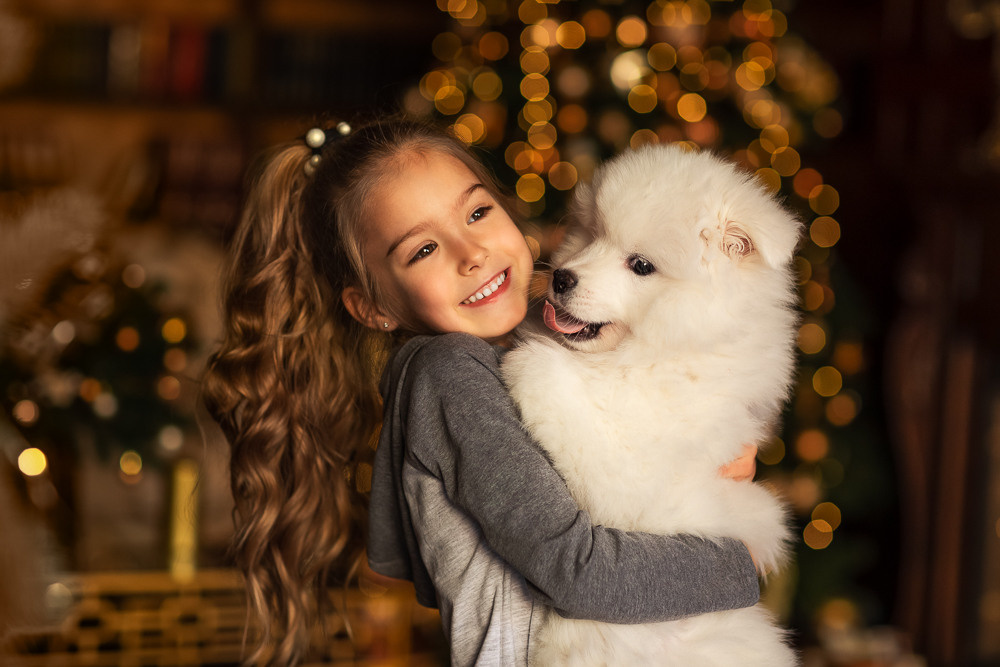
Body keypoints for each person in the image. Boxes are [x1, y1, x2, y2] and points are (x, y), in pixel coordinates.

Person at [202, 117, 761, 666]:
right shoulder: (450, 374)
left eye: (476, 212)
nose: (470, 253)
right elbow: (578, 572)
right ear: (372, 307)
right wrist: (739, 564)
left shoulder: (534, 340)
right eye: (422, 250)